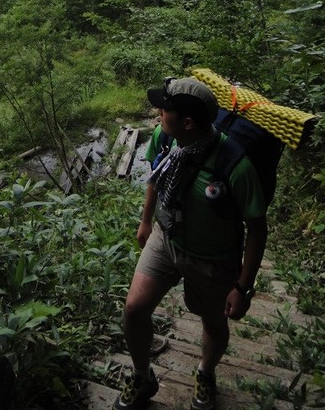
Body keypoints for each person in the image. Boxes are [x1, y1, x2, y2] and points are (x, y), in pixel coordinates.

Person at [113, 77, 268, 410]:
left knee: (213, 321)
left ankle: (205, 372)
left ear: (187, 123)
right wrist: (146, 220)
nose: (157, 112)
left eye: (164, 109)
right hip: (166, 237)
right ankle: (142, 375)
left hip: (213, 258)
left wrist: (242, 288)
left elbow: (257, 229)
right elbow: (155, 176)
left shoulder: (236, 167)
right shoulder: (165, 137)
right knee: (134, 309)